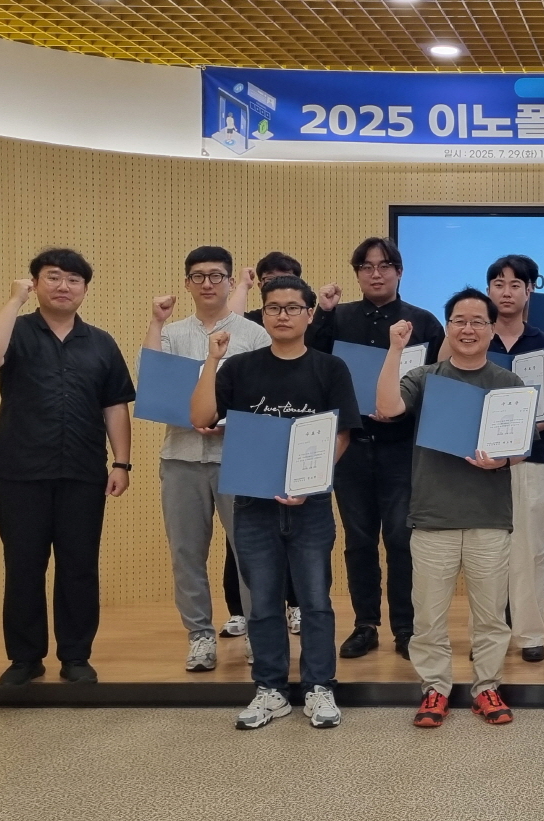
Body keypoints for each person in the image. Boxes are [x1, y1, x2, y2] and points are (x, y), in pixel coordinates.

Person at [191, 274, 361, 730]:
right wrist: (212, 359)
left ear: (309, 314)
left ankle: (320, 686)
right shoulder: (240, 368)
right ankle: (271, 689)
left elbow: (342, 434)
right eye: (273, 308)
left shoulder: (330, 368)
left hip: (311, 503)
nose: (282, 315)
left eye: (292, 308)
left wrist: (310, 481)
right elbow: (201, 416)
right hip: (254, 502)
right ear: (262, 314)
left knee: (315, 600)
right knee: (263, 602)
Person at [0, 249, 135, 686]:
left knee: (79, 566)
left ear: (85, 289)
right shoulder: (14, 330)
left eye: (74, 280)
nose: (64, 286)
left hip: (83, 471)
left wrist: (121, 462)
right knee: (23, 566)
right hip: (19, 471)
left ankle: (76, 655)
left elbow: (115, 405)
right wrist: (14, 301)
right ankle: (25, 658)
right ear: (35, 282)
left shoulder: (101, 342)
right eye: (54, 277)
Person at [376, 287, 525, 728]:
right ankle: (435, 690)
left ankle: (487, 688)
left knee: (491, 617)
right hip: (433, 517)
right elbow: (386, 407)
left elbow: (522, 447)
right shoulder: (426, 378)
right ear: (448, 327)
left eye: (478, 321)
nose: (468, 329)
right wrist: (395, 349)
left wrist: (502, 460)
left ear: (491, 329)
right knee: (428, 617)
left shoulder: (508, 383)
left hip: (488, 517)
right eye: (460, 320)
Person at [310, 237, 445, 660]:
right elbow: (312, 362)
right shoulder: (339, 317)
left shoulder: (422, 322)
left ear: (399, 271)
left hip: (402, 449)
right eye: (366, 267)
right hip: (351, 445)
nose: (376, 274)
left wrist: (402, 409)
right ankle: (365, 624)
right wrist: (322, 313)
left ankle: (405, 628)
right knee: (359, 540)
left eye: (385, 265)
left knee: (402, 540)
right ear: (357, 274)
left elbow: (437, 384)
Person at [143, 246, 269, 672]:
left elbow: (266, 397)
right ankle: (199, 636)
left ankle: (258, 633)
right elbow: (154, 382)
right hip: (181, 457)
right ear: (187, 284)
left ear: (231, 282)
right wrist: (156, 322)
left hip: (239, 458)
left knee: (250, 552)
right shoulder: (173, 332)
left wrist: (227, 421)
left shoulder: (254, 334)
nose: (207, 283)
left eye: (216, 276)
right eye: (198, 276)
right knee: (186, 553)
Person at [486, 254, 544, 661]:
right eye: (499, 284)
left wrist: (529, 427)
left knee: (531, 549)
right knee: (486, 553)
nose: (507, 292)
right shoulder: (474, 341)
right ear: (489, 290)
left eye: (515, 284)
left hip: (531, 458)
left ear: (529, 290)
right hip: (479, 463)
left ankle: (530, 634)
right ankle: (489, 635)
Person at [228, 250, 306, 633]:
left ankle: (295, 605)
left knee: (300, 545)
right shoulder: (249, 339)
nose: (282, 314)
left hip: (301, 463)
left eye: (284, 278)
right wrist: (242, 286)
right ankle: (242, 612)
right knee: (242, 542)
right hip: (251, 462)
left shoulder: (311, 344)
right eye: (268, 281)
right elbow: (232, 324)